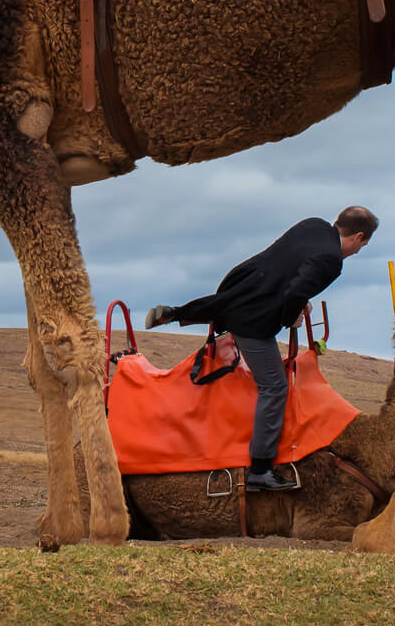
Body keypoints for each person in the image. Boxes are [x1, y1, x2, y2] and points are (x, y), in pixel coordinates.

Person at [145, 206, 378, 491]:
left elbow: (284, 272)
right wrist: (290, 317)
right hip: (253, 320)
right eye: (361, 247)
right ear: (358, 237)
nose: (356, 252)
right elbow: (294, 290)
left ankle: (179, 312)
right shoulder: (332, 261)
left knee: (234, 314)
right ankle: (260, 469)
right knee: (275, 386)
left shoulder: (313, 225)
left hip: (241, 289)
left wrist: (299, 299)